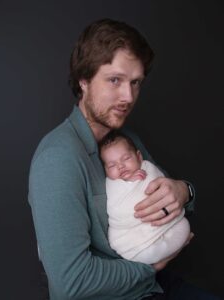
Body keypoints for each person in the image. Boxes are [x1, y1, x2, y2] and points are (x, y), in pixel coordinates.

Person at [28, 18, 221, 300]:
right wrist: (150, 267)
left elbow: (166, 204)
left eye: (135, 82)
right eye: (115, 80)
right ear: (84, 80)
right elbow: (71, 283)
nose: (128, 97)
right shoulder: (57, 160)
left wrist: (184, 191)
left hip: (152, 286)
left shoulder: (126, 137)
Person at [99, 130, 190, 265]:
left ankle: (165, 251)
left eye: (126, 158)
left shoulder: (147, 168)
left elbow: (162, 185)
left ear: (139, 157)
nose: (120, 166)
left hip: (163, 223)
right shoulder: (112, 185)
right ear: (105, 170)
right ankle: (157, 256)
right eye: (112, 165)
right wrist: (130, 182)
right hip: (133, 235)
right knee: (143, 254)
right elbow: (117, 210)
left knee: (184, 226)